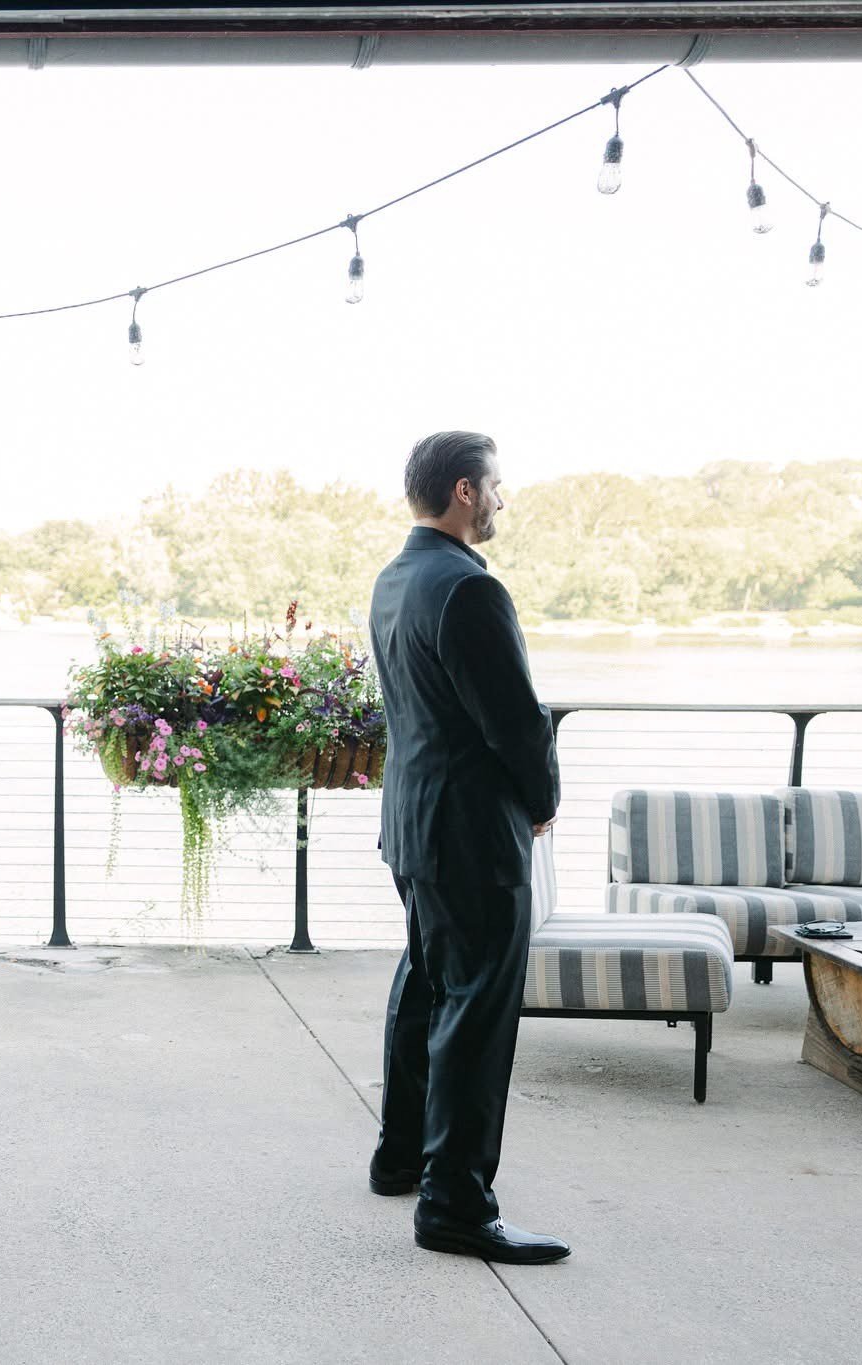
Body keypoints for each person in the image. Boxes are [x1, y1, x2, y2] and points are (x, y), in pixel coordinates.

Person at [364, 431, 567, 1265]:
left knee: (424, 988)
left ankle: (401, 1155)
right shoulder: (468, 590)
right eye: (496, 487)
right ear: (464, 493)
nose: (502, 500)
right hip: (470, 834)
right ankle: (454, 1204)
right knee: (476, 1012)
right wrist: (544, 801)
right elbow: (516, 722)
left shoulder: (394, 578)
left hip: (413, 824)